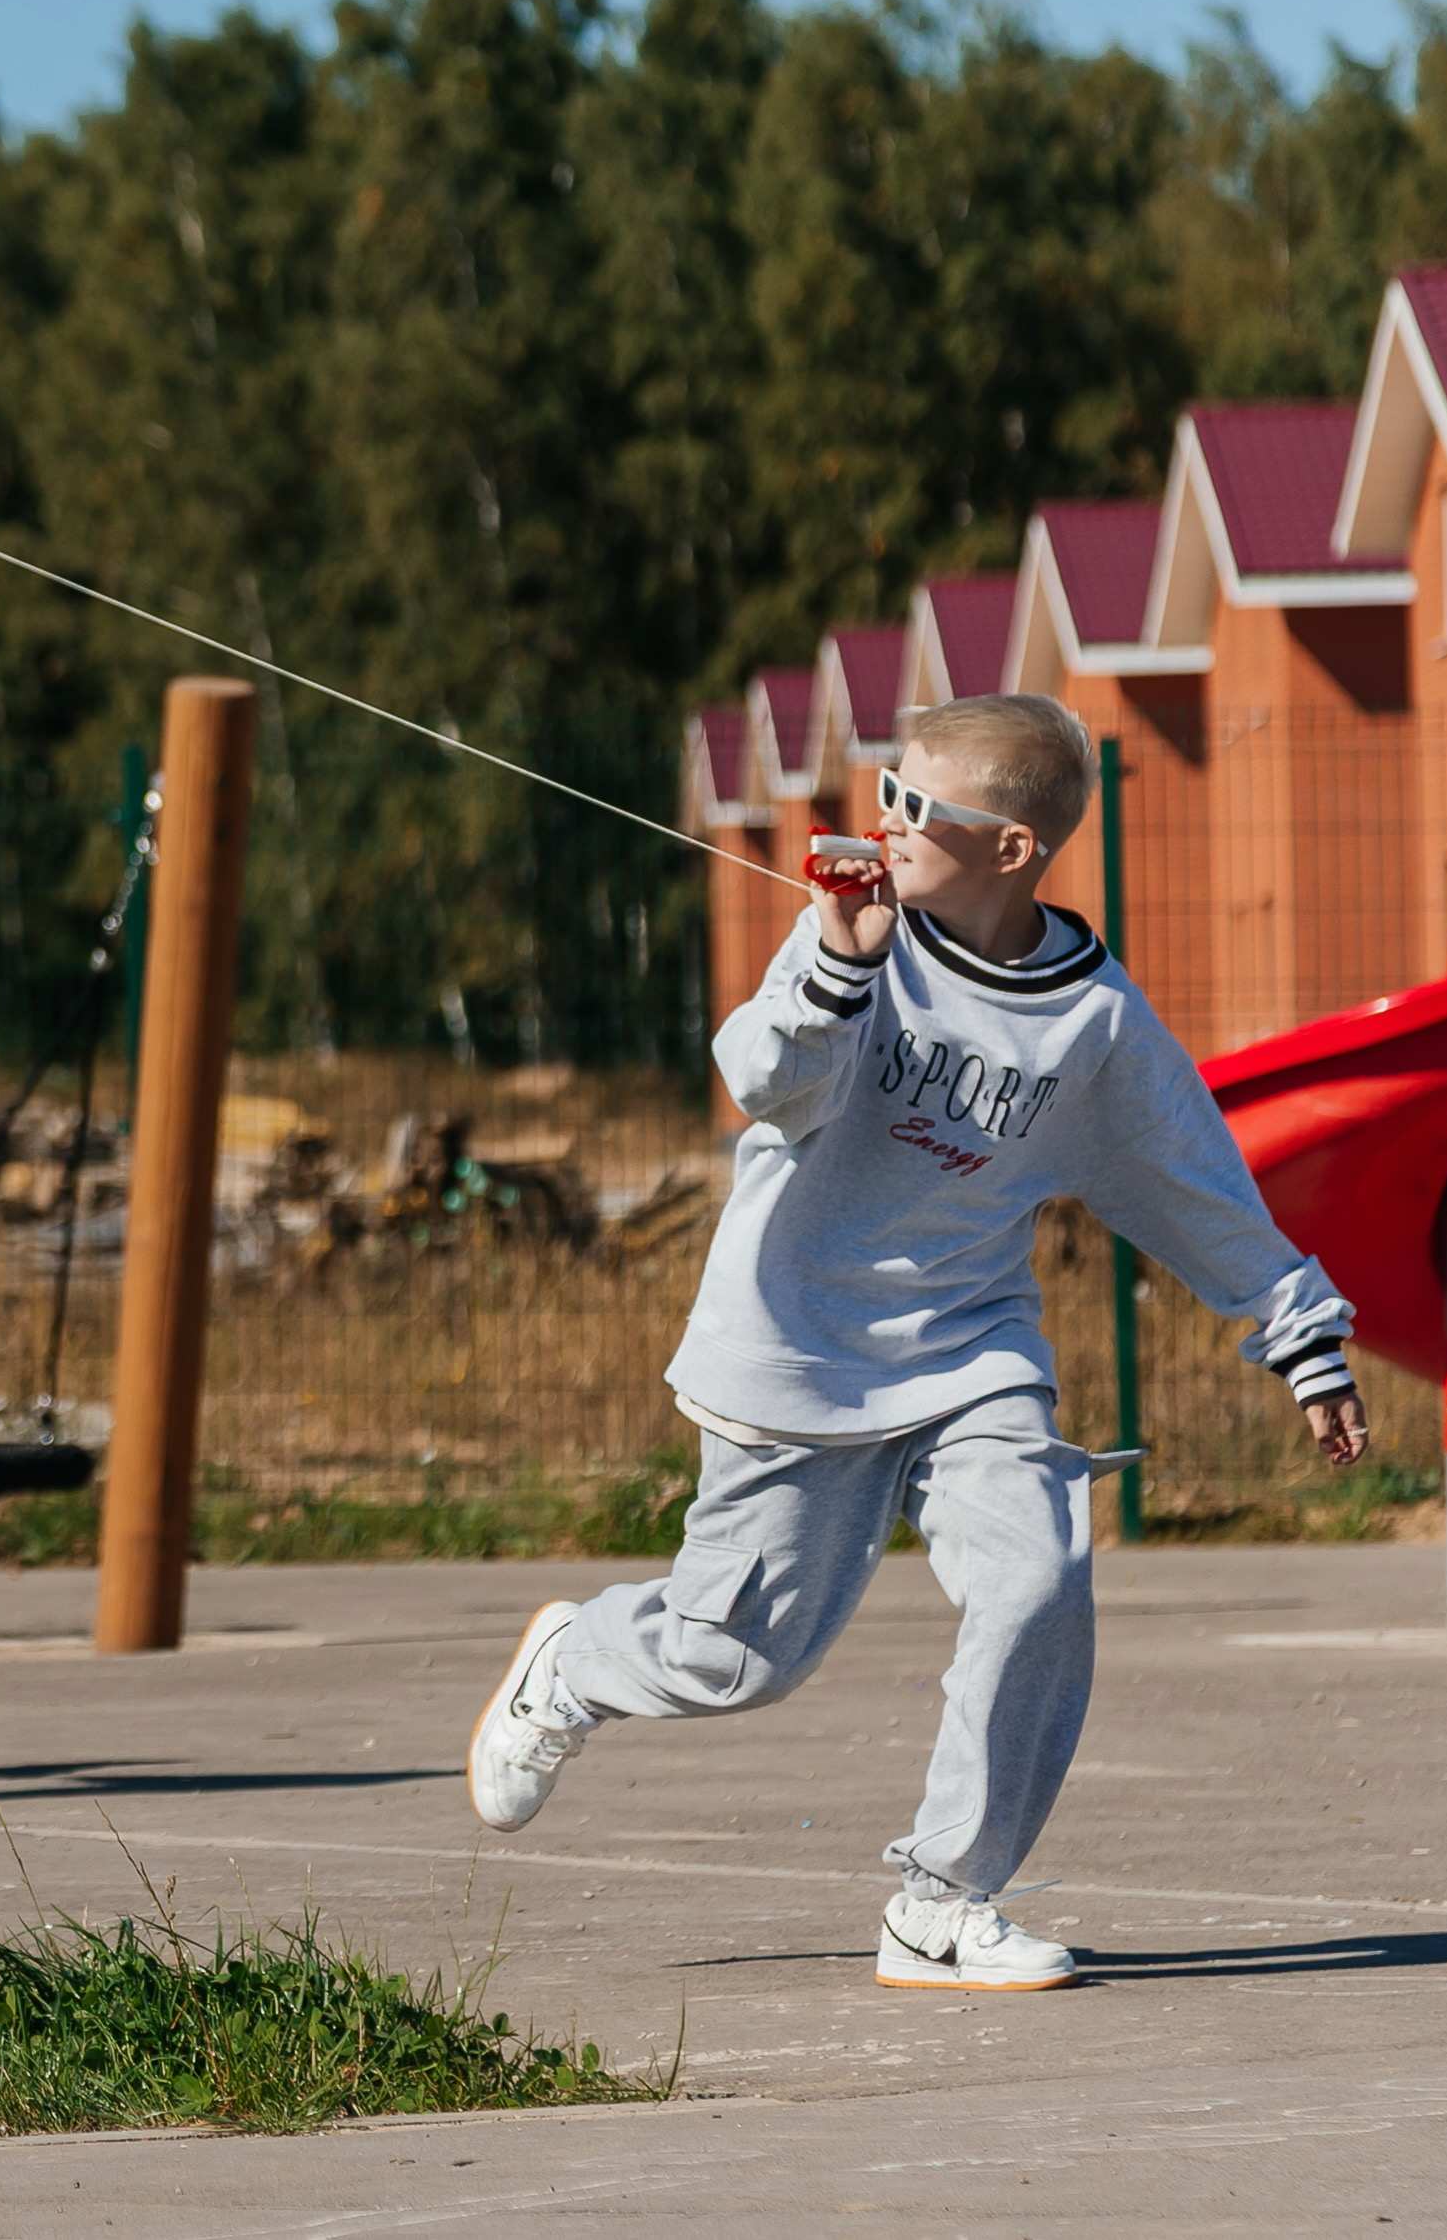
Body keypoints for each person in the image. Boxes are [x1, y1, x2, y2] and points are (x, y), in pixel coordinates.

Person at [464, 694, 1366, 1991]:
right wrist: (837, 969)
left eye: (916, 808)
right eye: (885, 791)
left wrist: (1302, 1335)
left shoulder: (1095, 1023)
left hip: (969, 1352)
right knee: (736, 1660)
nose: (882, 823)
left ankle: (944, 1902)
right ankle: (576, 1662)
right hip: (797, 1344)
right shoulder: (853, 936)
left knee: (1040, 1576)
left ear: (1011, 847)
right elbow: (762, 1080)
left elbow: (1192, 1181)